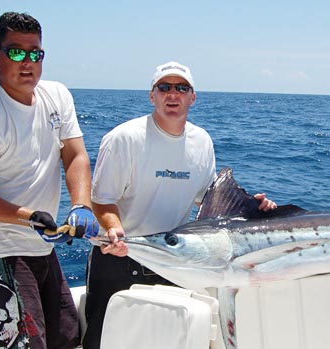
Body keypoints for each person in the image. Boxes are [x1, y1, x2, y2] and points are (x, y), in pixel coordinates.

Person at [82, 61, 277, 348]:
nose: (173, 95)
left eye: (181, 88)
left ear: (193, 97)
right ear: (152, 95)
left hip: (176, 262)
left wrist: (251, 209)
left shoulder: (202, 141)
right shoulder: (124, 138)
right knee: (106, 339)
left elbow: (207, 201)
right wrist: (114, 230)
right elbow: (101, 199)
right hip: (120, 256)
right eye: (165, 87)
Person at [0, 12, 98, 349]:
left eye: (35, 53)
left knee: (67, 337)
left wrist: (81, 205)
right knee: (28, 344)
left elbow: (75, 155)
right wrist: (27, 216)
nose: (27, 62)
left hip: (41, 246)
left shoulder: (56, 96)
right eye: (15, 52)